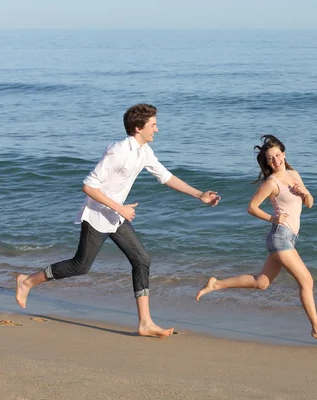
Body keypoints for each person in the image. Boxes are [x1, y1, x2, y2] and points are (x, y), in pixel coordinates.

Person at [15, 103, 220, 337]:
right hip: (98, 216)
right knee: (80, 266)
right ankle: (28, 281)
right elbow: (88, 186)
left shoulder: (144, 152)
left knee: (142, 259)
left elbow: (165, 176)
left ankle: (145, 323)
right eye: (153, 125)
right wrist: (119, 208)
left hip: (115, 215)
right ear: (137, 128)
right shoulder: (118, 151)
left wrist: (199, 195)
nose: (157, 129)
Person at [196, 135, 317, 347]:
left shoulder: (294, 174)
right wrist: (273, 218)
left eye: (278, 155)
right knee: (307, 281)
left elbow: (309, 204)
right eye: (270, 158)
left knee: (261, 283)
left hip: (289, 237)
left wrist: (305, 192)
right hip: (280, 237)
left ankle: (216, 284)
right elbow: (251, 207)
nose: (275, 160)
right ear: (267, 162)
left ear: (284, 154)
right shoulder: (272, 183)